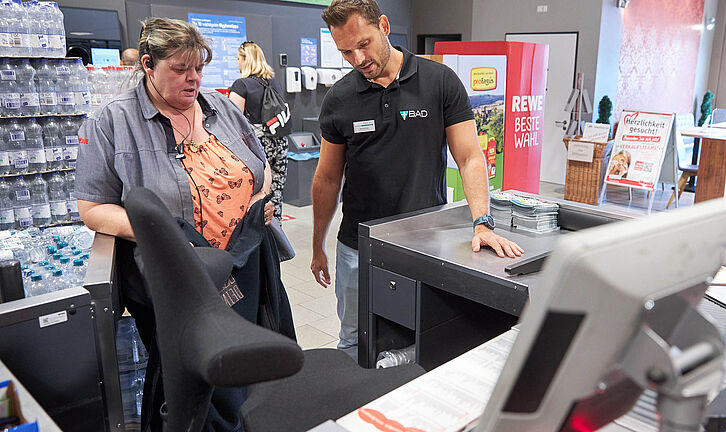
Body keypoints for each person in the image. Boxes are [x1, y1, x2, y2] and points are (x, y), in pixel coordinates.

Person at [75, 17, 294, 431]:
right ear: (147, 64)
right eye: (179, 69)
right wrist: (163, 235)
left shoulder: (223, 107)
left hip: (241, 264)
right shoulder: (111, 122)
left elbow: (260, 164)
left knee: (247, 367)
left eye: (198, 68)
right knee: (199, 381)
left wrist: (261, 197)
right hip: (178, 278)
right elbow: (92, 208)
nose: (192, 79)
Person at [310, 0, 524, 362]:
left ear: (384, 26)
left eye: (364, 44)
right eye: (346, 51)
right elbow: (328, 178)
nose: (358, 59)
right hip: (358, 247)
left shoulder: (438, 81)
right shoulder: (339, 99)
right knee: (353, 339)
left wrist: (482, 222)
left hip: (426, 246)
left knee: (425, 335)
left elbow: (470, 156)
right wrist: (318, 246)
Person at [229, 42, 289, 221]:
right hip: (280, 141)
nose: (237, 63)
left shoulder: (241, 85)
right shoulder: (274, 82)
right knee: (276, 189)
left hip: (257, 145)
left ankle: (259, 233)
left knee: (256, 192)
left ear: (246, 60)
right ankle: (277, 230)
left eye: (238, 59)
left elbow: (234, 120)